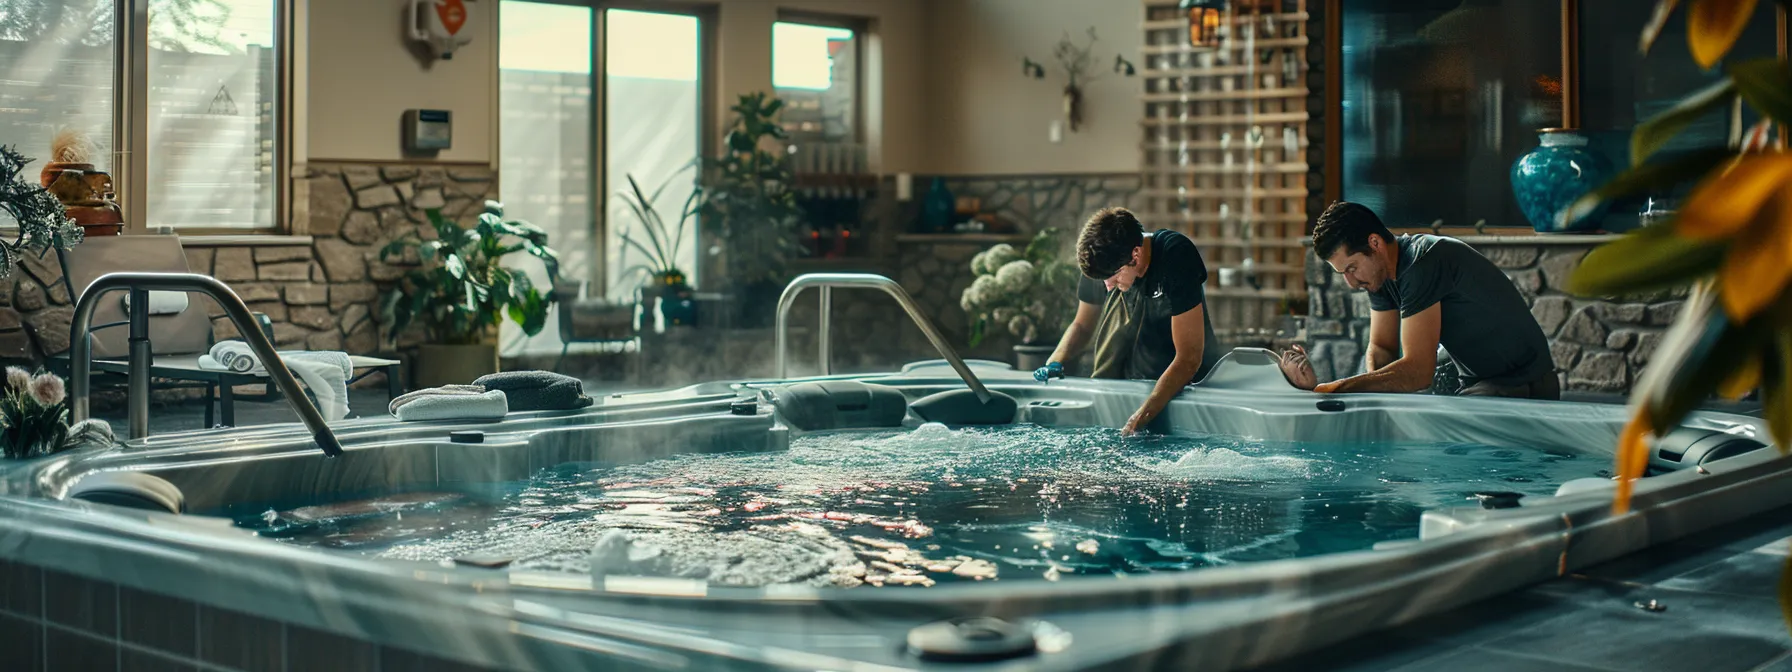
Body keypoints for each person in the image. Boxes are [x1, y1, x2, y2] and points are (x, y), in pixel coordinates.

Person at [1278, 201, 1557, 399]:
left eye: (1351, 268)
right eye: (1343, 274)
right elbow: (1382, 347)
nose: (1351, 283)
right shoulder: (1381, 276)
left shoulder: (1424, 262)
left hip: (1521, 383)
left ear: (1374, 244)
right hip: (1476, 378)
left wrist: (1330, 389)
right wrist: (1375, 402)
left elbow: (1417, 371)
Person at [1035, 207, 1223, 433]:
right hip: (1127, 384)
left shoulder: (1175, 256)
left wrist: (1140, 417)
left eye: (1113, 277)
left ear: (1136, 254)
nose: (1108, 286)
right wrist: (1056, 362)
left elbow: (1189, 358)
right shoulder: (1103, 262)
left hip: (1188, 390)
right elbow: (1082, 325)